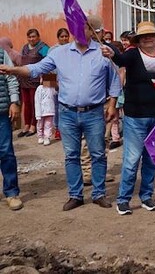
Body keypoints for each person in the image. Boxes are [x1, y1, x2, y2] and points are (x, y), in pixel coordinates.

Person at [0, 18, 121, 211]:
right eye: (75, 29)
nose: (78, 32)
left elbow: (114, 81)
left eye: (84, 29)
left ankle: (99, 193)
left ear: (91, 31)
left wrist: (113, 104)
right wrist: (13, 70)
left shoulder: (103, 53)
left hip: (94, 113)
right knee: (71, 155)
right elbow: (36, 69)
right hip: (67, 113)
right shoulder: (59, 53)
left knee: (98, 154)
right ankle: (76, 195)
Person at [102, 21, 155, 215]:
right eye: (143, 37)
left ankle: (147, 196)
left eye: (151, 35)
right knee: (132, 160)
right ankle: (123, 199)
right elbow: (119, 59)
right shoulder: (132, 55)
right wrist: (111, 52)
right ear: (138, 41)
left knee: (151, 160)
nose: (147, 39)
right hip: (135, 117)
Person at [0, 42, 22, 211]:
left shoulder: (1, 53)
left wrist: (14, 102)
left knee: (6, 152)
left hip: (1, 112)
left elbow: (11, 77)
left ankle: (11, 192)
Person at [17, 29, 50, 138]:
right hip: (24, 80)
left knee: (35, 104)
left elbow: (49, 63)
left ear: (38, 37)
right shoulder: (25, 47)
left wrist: (47, 81)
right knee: (26, 104)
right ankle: (26, 125)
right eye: (29, 37)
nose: (31, 39)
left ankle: (34, 126)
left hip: (37, 81)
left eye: (33, 36)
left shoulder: (44, 47)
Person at [34, 74, 57, 146]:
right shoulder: (39, 88)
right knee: (40, 124)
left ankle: (47, 137)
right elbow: (37, 101)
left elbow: (56, 93)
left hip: (50, 110)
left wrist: (55, 85)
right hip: (41, 111)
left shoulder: (52, 88)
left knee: (48, 125)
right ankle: (40, 136)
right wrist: (38, 114)